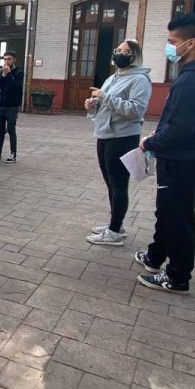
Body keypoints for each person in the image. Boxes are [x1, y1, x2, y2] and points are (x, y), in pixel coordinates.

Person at [136, 13, 195, 294]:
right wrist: (161, 134)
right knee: (169, 212)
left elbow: (179, 131)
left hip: (183, 160)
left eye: (171, 42)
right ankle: (155, 257)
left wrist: (150, 143)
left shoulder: (191, 81)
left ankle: (177, 277)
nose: (169, 47)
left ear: (190, 43)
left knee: (177, 217)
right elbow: (187, 122)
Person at [85, 40, 152, 246]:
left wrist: (104, 97)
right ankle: (116, 224)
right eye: (117, 50)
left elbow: (135, 110)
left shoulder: (140, 80)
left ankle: (114, 233)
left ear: (135, 56)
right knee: (110, 184)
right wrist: (92, 106)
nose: (119, 54)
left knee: (119, 185)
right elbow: (104, 105)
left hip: (122, 138)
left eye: (125, 51)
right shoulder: (112, 78)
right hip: (104, 135)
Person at [0, 50, 24, 163]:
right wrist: (4, 75)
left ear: (14, 60)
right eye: (5, 59)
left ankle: (13, 154)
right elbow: (0, 88)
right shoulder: (0, 73)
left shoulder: (18, 72)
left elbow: (15, 87)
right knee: (0, 130)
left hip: (12, 106)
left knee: (11, 129)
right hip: (1, 106)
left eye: (9, 59)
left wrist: (9, 74)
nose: (7, 61)